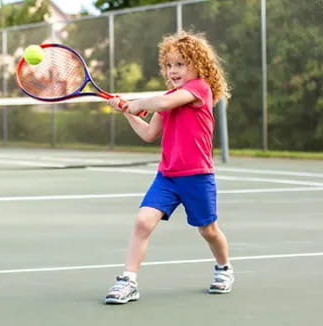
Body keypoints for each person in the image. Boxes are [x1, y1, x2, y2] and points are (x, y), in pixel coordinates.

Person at [104, 30, 233, 304]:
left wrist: (136, 103)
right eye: (169, 65)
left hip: (197, 176)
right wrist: (128, 112)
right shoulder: (168, 98)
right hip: (167, 176)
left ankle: (223, 268)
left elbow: (161, 102)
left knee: (208, 230)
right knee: (142, 222)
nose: (173, 70)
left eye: (181, 64)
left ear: (199, 66)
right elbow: (150, 134)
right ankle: (128, 281)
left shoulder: (199, 89)